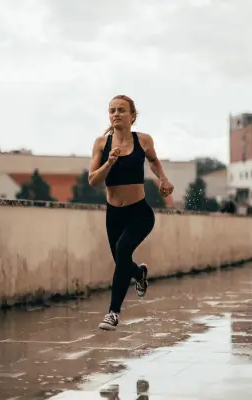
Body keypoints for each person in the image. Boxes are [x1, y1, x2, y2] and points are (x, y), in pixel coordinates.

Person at [88, 94, 174, 331]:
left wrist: (163, 179)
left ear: (132, 116)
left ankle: (113, 314)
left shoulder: (143, 140)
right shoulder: (101, 144)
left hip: (140, 213)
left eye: (121, 110)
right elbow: (93, 181)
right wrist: (109, 163)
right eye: (112, 110)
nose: (116, 114)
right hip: (113, 215)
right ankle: (140, 273)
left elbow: (154, 161)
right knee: (121, 261)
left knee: (122, 250)